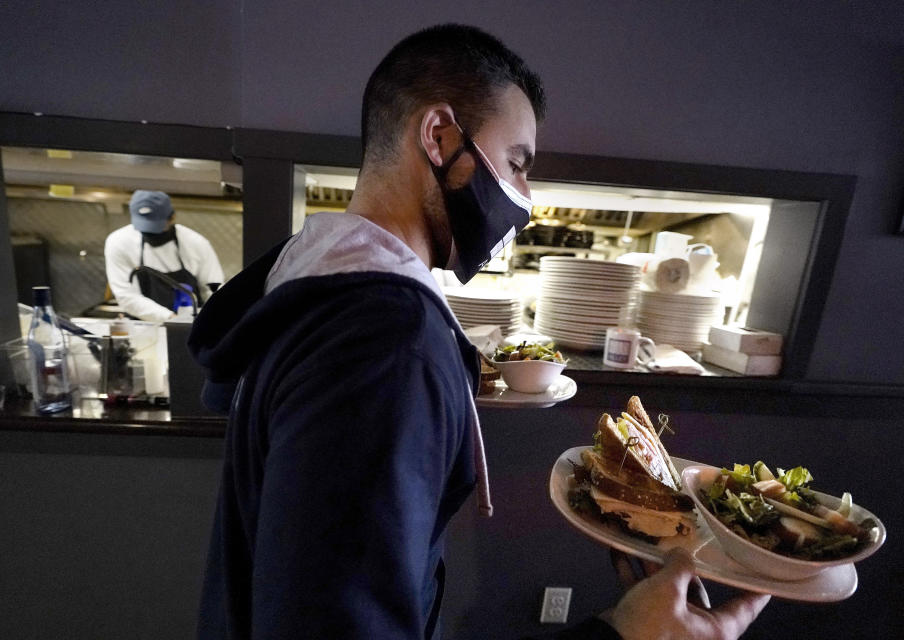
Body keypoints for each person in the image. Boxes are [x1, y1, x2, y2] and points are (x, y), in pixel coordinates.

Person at [188, 24, 769, 640]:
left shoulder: (311, 275)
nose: (524, 198)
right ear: (439, 136)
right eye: (517, 164)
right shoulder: (387, 342)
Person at [104, 190, 224, 322]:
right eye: (143, 227)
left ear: (172, 217)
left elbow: (213, 290)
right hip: (144, 327)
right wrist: (172, 319)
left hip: (192, 326)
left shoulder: (196, 243)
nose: (149, 233)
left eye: (155, 227)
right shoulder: (119, 242)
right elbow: (127, 296)